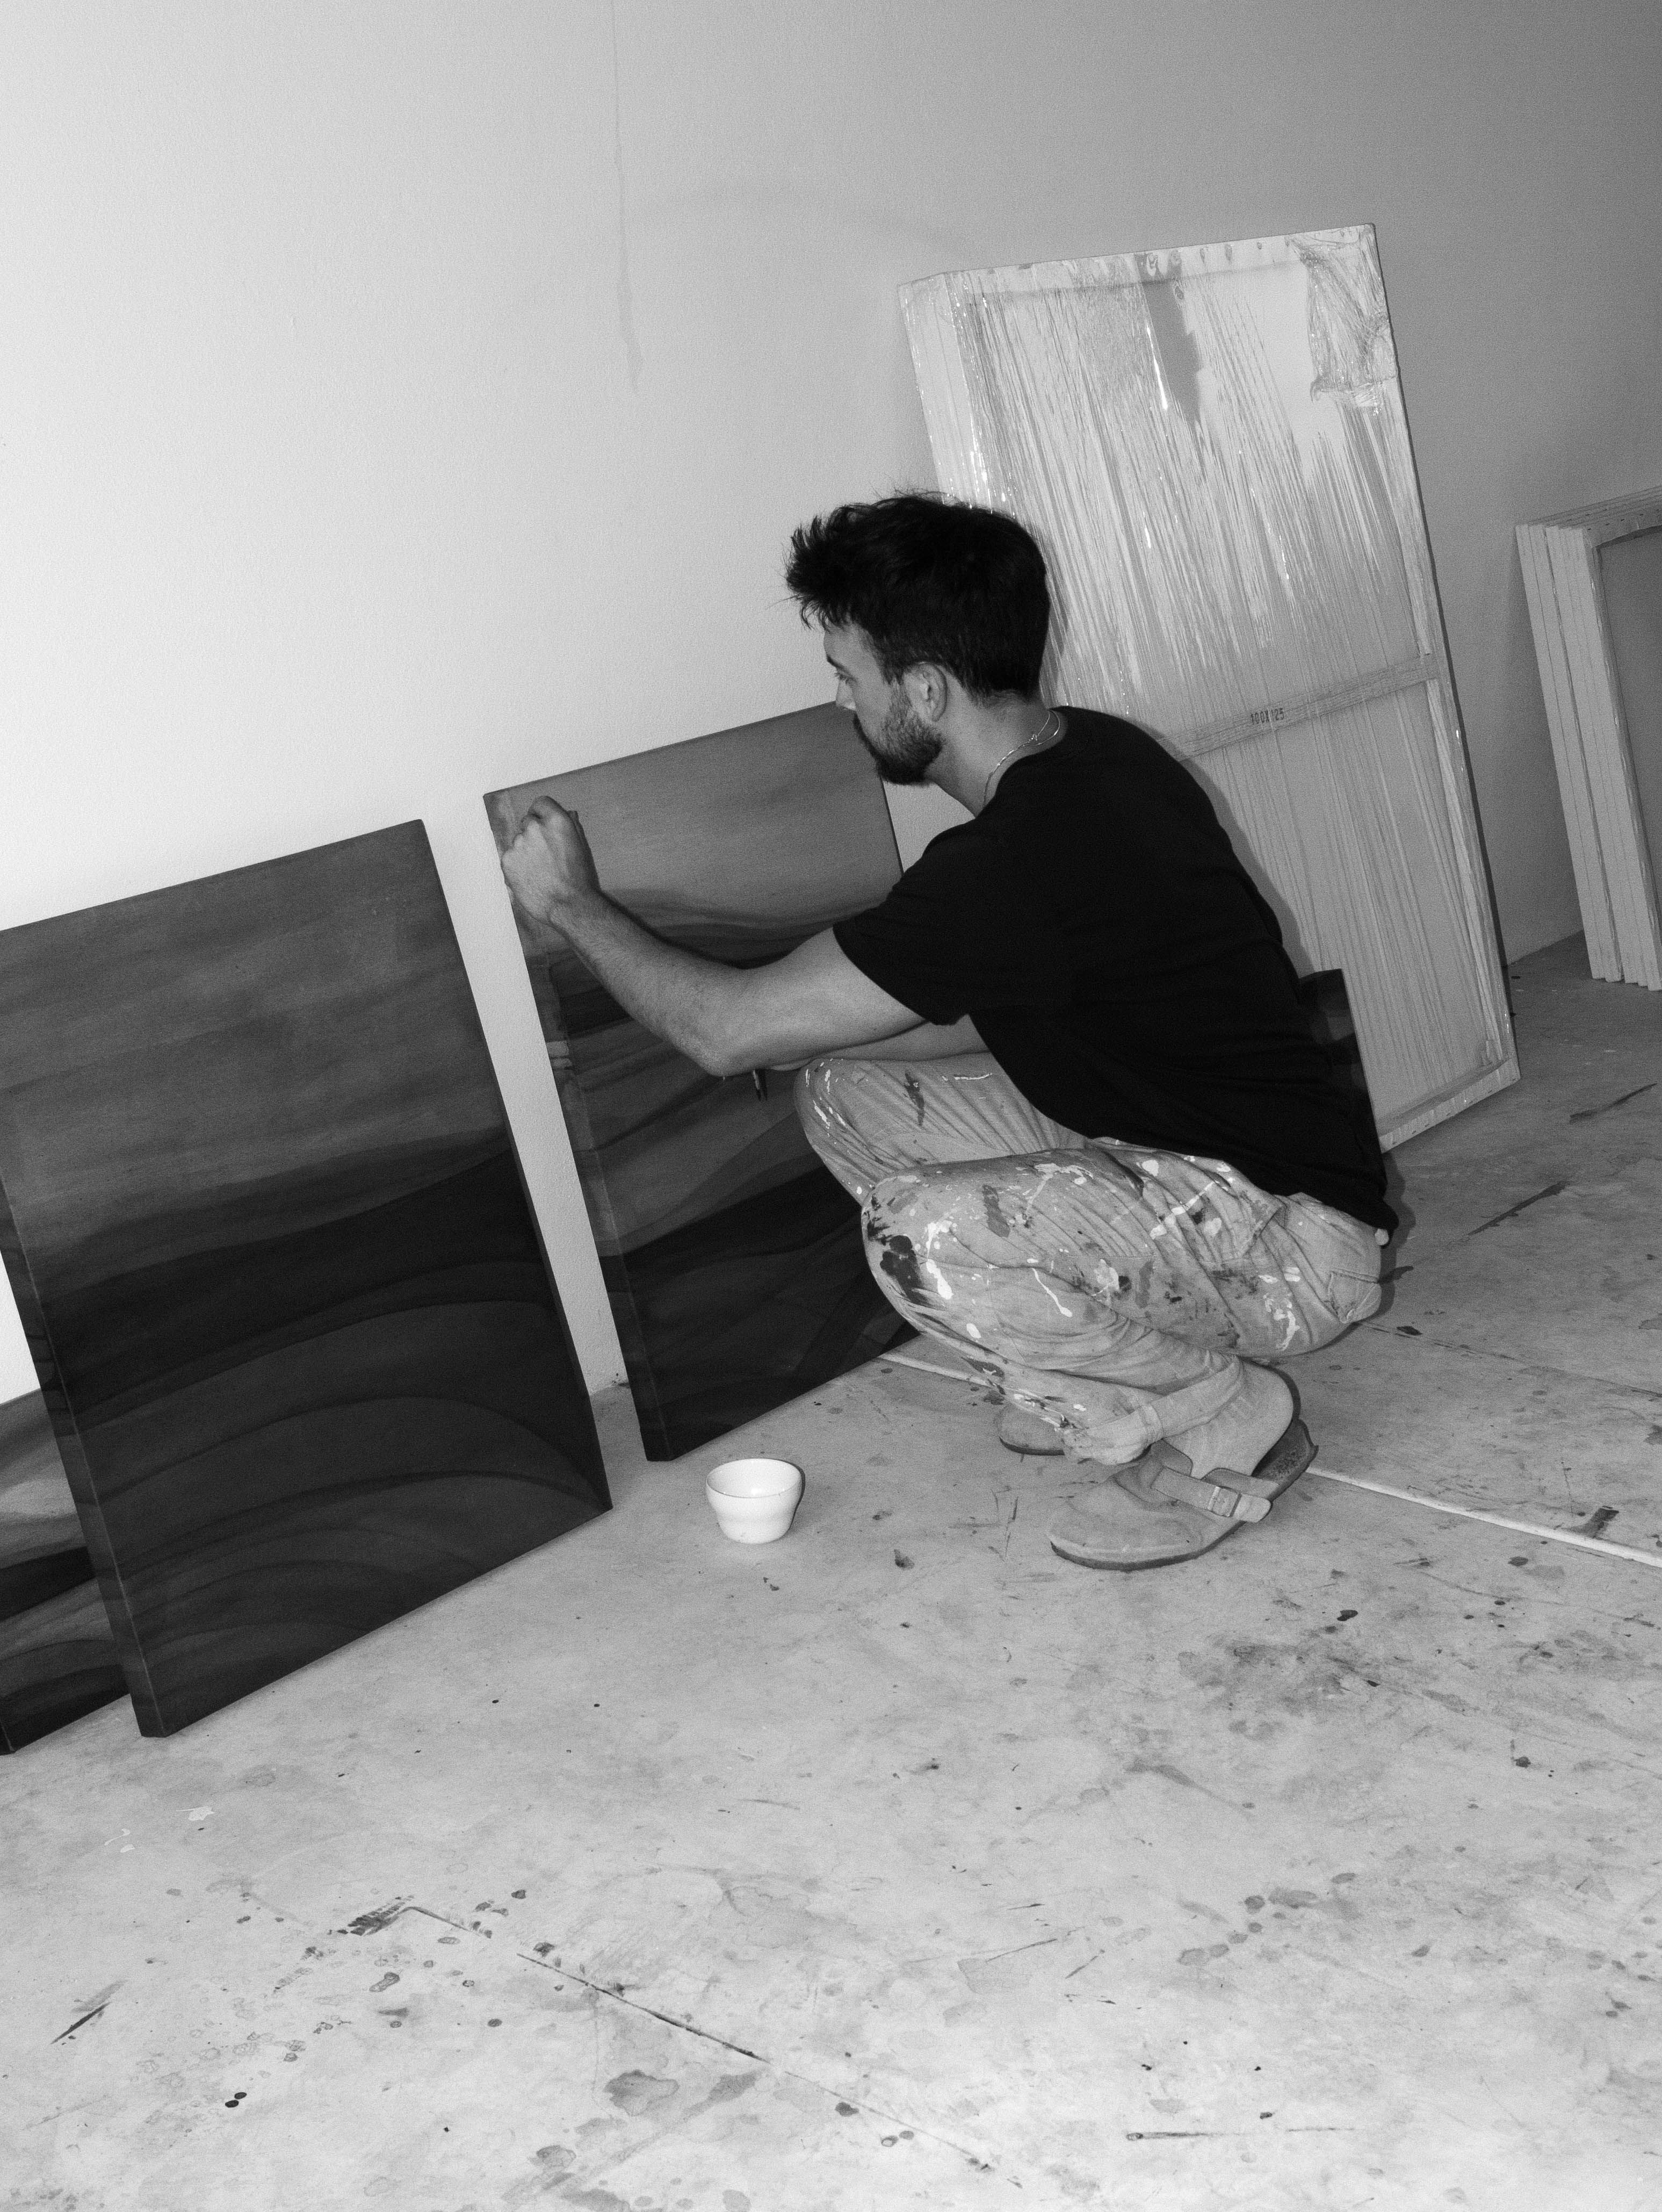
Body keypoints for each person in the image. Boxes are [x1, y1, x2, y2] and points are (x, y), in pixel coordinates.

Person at [497, 493, 1392, 1570]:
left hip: (1291, 1244)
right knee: (840, 1087)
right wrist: (808, 1035)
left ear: (923, 688)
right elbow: (971, 1008)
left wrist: (569, 905)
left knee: (922, 1238)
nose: (840, 702)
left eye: (847, 674)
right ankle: (1092, 1365)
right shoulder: (1098, 760)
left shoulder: (1010, 865)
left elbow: (724, 1034)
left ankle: (1217, 1418)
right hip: (1199, 1164)